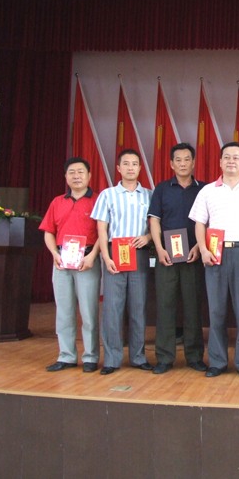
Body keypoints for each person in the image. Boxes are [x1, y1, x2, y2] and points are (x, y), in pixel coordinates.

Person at [189, 142, 239, 378]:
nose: (231, 161)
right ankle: (217, 362)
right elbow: (200, 223)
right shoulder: (208, 191)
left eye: (236, 157)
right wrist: (203, 249)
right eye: (227, 157)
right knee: (216, 311)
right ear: (220, 162)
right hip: (215, 253)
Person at [91, 149, 153, 375]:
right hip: (114, 254)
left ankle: (138, 357)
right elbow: (101, 229)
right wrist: (106, 257)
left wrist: (147, 237)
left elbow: (156, 225)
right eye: (126, 163)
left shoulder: (149, 195)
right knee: (112, 309)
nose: (130, 167)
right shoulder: (107, 195)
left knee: (139, 308)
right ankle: (111, 359)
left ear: (140, 168)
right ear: (118, 168)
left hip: (139, 254)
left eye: (134, 164)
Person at [147, 142, 207, 374]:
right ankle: (164, 358)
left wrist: (200, 247)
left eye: (187, 159)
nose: (183, 164)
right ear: (172, 164)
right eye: (178, 160)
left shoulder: (204, 189)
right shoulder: (162, 189)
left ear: (193, 163)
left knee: (193, 307)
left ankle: (194, 356)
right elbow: (154, 220)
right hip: (167, 258)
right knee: (165, 306)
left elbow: (209, 222)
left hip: (193, 256)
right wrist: (159, 248)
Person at [40, 157, 101, 373]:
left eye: (80, 172)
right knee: (64, 311)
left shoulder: (98, 200)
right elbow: (49, 232)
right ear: (66, 177)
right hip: (62, 261)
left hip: (87, 260)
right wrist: (54, 254)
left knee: (89, 312)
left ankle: (91, 356)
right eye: (72, 172)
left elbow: (104, 233)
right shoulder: (57, 202)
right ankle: (66, 356)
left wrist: (93, 256)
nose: (76, 176)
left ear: (89, 175)